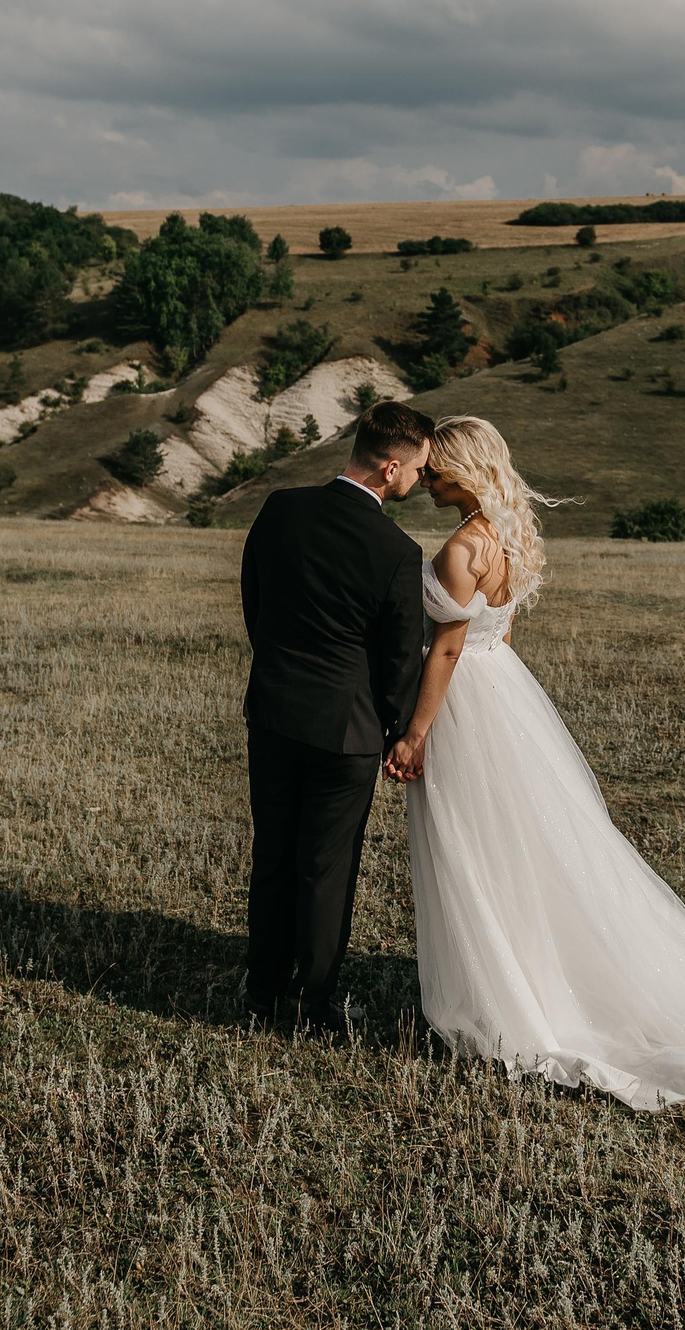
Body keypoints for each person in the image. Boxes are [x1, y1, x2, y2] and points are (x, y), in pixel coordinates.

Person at [385, 415, 685, 1110]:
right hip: (508, 693)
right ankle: (524, 969)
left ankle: (520, 993)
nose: (425, 481)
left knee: (480, 847)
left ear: (464, 470)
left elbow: (449, 650)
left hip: (467, 704)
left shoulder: (464, 546)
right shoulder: (513, 536)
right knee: (525, 843)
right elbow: (505, 629)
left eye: (435, 471)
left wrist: (417, 733)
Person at [237, 400, 435, 1033]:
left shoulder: (280, 508)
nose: (418, 483)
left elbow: (255, 602)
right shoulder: (397, 551)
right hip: (345, 731)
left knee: (272, 851)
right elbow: (401, 657)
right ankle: (312, 1005)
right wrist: (398, 726)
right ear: (390, 466)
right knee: (326, 868)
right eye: (417, 471)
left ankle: (260, 989)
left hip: (272, 711)